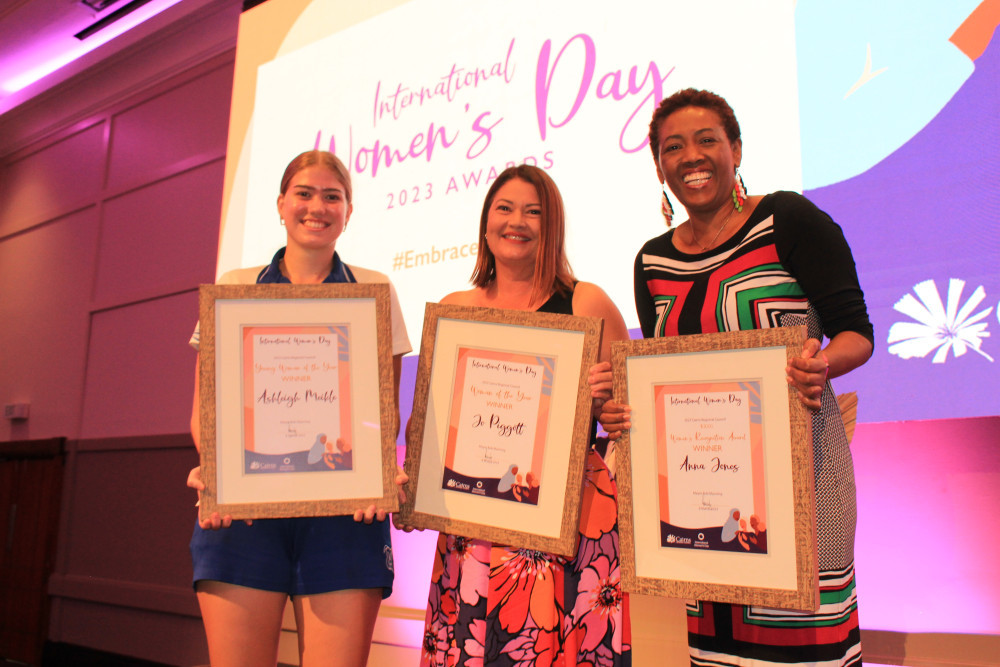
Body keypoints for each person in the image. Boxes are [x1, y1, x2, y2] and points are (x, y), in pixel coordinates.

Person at [599, 88, 873, 666]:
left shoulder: (789, 220)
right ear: (660, 167)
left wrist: (820, 364)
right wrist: (624, 413)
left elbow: (857, 334)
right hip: (705, 496)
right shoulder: (652, 263)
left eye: (707, 141)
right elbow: (662, 374)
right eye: (673, 147)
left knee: (807, 651)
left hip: (804, 481)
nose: (691, 156)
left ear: (736, 149)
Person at [186, 150, 412, 667]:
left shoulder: (374, 291)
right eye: (305, 194)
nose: (318, 206)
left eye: (333, 196)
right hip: (244, 516)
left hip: (345, 517)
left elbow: (382, 416)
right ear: (282, 204)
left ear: (348, 211)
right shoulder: (234, 288)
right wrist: (219, 471)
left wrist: (377, 473)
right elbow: (204, 415)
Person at [419, 165, 633, 666]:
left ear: (551, 225)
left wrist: (606, 400)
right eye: (505, 208)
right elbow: (436, 425)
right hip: (475, 521)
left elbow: (625, 418)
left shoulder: (587, 302)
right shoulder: (456, 310)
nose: (518, 221)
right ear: (486, 223)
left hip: (568, 521)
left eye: (534, 211)